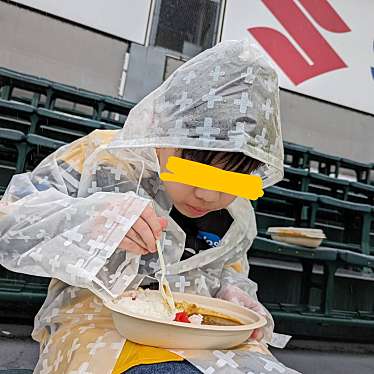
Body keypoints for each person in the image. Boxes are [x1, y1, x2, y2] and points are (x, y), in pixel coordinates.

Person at [0, 40, 296, 374]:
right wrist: (87, 220)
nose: (207, 195)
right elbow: (9, 221)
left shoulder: (236, 212)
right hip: (100, 325)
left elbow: (229, 269)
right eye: (194, 165)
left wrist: (234, 294)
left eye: (231, 177)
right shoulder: (102, 159)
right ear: (160, 125)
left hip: (208, 339)